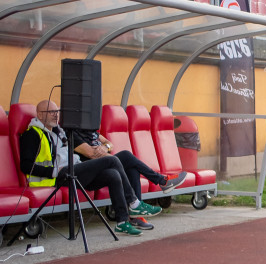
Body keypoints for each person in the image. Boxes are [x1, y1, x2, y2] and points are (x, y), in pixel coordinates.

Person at [19, 101, 163, 236]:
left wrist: (102, 147)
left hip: (75, 170)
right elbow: (25, 166)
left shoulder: (60, 131)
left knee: (113, 174)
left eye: (57, 111)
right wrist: (53, 171)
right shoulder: (32, 134)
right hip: (57, 177)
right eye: (51, 112)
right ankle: (134, 202)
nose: (56, 115)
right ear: (39, 114)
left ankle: (122, 221)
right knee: (111, 160)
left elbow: (100, 143)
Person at [69, 125, 187, 230]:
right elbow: (92, 154)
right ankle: (161, 182)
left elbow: (109, 144)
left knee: (132, 168)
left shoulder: (90, 131)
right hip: (91, 174)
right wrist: (111, 158)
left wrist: (105, 147)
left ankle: (136, 216)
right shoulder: (72, 132)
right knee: (125, 156)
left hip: (105, 168)